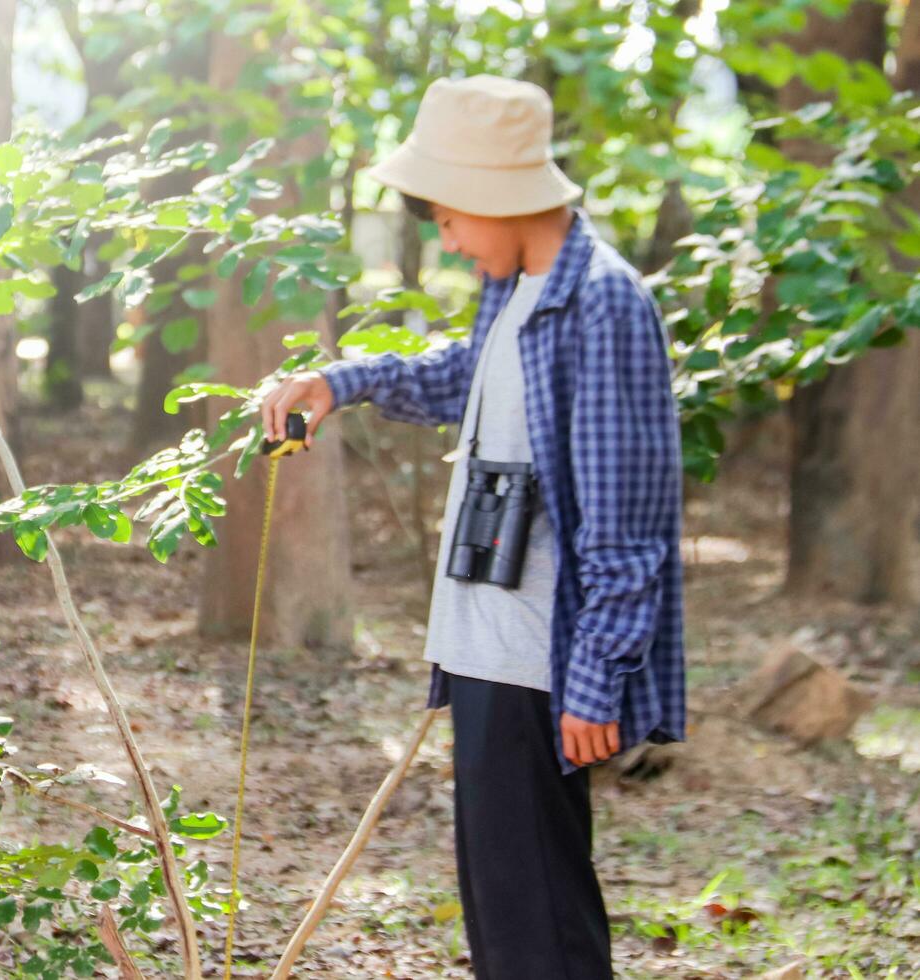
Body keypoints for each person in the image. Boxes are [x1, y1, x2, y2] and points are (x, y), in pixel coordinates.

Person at [260, 75, 686, 979]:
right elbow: (466, 377)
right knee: (506, 918)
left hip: (544, 658)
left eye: (448, 214)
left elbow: (628, 515)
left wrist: (597, 678)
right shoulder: (520, 286)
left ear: (500, 197)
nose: (444, 235)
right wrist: (342, 382)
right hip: (487, 647)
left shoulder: (604, 303)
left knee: (542, 930)